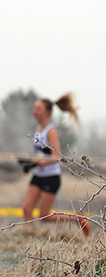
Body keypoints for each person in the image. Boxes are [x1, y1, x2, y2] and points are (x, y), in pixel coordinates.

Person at [20, 93, 89, 236]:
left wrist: (38, 163)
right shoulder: (38, 129)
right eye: (34, 108)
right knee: (26, 208)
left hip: (51, 177)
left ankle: (76, 218)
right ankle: (29, 237)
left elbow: (57, 156)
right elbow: (40, 153)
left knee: (44, 216)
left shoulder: (51, 131)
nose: (35, 111)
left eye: (38, 109)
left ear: (48, 112)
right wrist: (30, 160)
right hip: (38, 176)